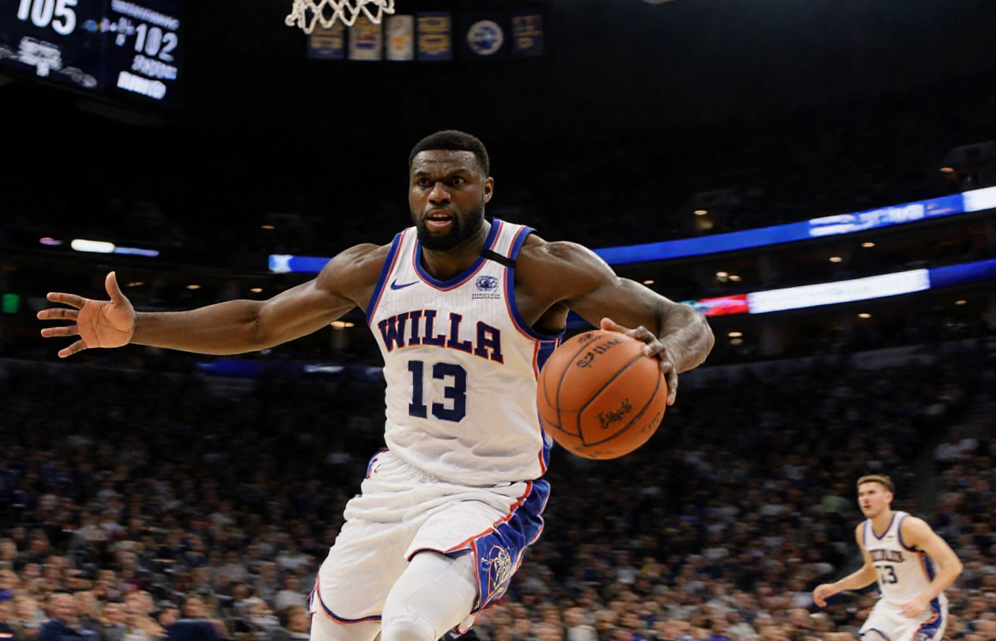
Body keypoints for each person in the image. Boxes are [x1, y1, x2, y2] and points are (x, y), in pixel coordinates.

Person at [39, 130, 715, 641]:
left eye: (455, 181)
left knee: (409, 627)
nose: (438, 194)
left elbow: (683, 320)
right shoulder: (372, 268)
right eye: (424, 182)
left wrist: (667, 356)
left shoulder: (539, 266)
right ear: (411, 190)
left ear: (485, 189)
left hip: (491, 493)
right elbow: (257, 323)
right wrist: (138, 329)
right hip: (394, 485)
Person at [812, 475, 964, 641]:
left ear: (888, 497)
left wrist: (922, 599)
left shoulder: (910, 526)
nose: (865, 499)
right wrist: (835, 587)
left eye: (871, 492)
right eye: (861, 494)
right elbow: (871, 572)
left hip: (923, 609)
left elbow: (953, 566)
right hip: (887, 608)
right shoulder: (863, 531)